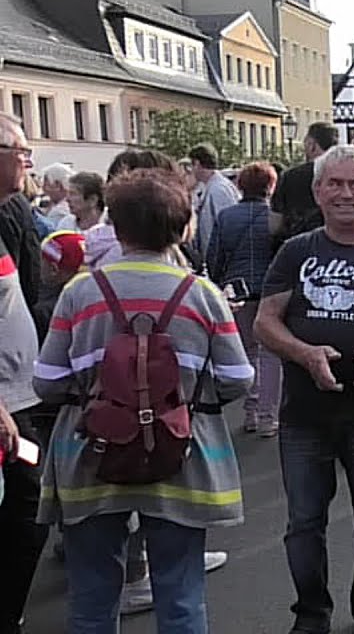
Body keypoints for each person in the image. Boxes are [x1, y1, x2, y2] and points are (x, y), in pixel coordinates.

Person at [34, 169, 252, 633]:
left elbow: (46, 381)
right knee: (181, 598)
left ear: (116, 226)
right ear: (183, 226)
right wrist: (185, 397)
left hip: (90, 457)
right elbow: (238, 378)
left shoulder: (80, 292)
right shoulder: (202, 295)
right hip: (181, 460)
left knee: (92, 601)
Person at [255, 146, 354, 634]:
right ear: (317, 192)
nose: (346, 193)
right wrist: (305, 354)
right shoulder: (296, 251)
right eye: (334, 184)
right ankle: (312, 613)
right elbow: (264, 322)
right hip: (304, 416)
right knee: (303, 524)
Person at [0, 111, 45, 634]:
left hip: (20, 402)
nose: (26, 161)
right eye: (20, 151)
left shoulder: (9, 214)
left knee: (27, 508)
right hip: (6, 412)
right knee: (26, 509)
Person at [207, 161, 282, 437]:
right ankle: (267, 417)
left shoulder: (227, 217)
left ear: (240, 185)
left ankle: (250, 412)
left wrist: (217, 283)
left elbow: (214, 255)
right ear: (271, 186)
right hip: (271, 290)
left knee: (247, 351)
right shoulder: (275, 217)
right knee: (271, 354)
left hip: (237, 291)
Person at [270, 122, 341, 249]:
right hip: (338, 242)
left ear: (312, 144)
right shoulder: (346, 173)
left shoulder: (291, 176)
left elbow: (275, 225)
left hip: (299, 245)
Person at [188, 143, 240, 258]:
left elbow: (227, 226)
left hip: (219, 258)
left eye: (191, 166)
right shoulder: (213, 186)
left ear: (197, 164)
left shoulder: (218, 189)